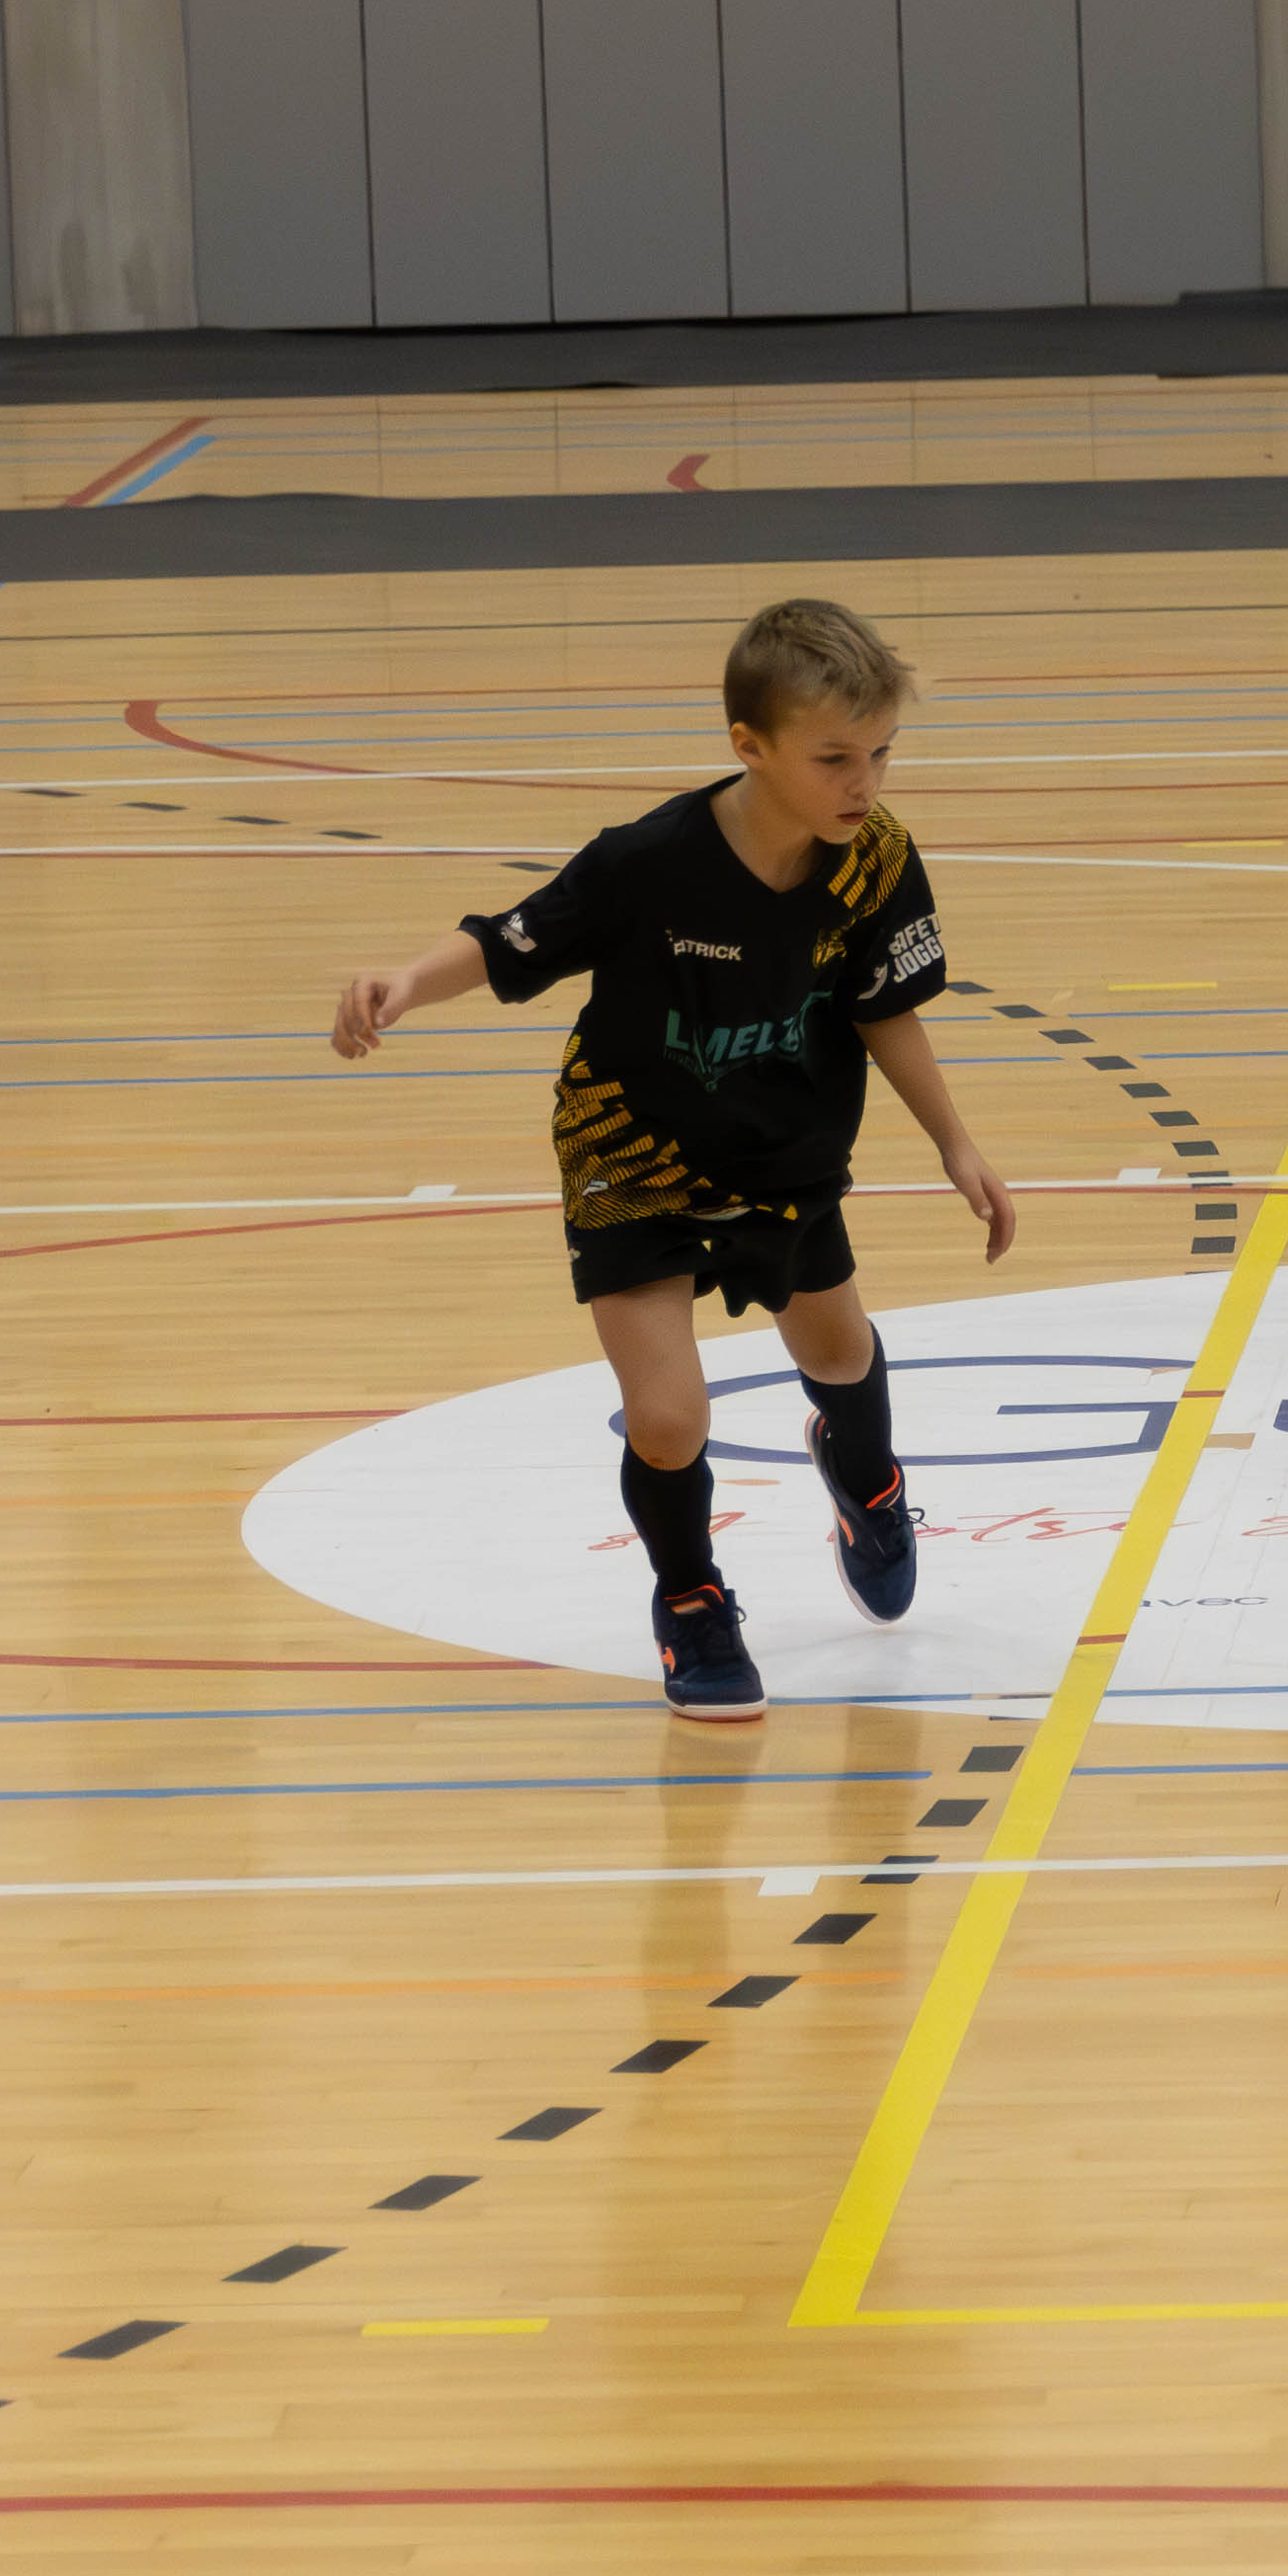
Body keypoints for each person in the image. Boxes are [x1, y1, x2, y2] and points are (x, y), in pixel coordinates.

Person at [322, 596, 1014, 1729]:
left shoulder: (876, 858)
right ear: (750, 744)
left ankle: (870, 1480)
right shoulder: (649, 863)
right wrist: (404, 981)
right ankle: (692, 1599)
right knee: (667, 1417)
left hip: (785, 1140)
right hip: (631, 1146)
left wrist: (956, 1140)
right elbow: (510, 939)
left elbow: (884, 1004)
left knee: (839, 1352)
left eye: (882, 752)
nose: (865, 782)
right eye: (835, 758)